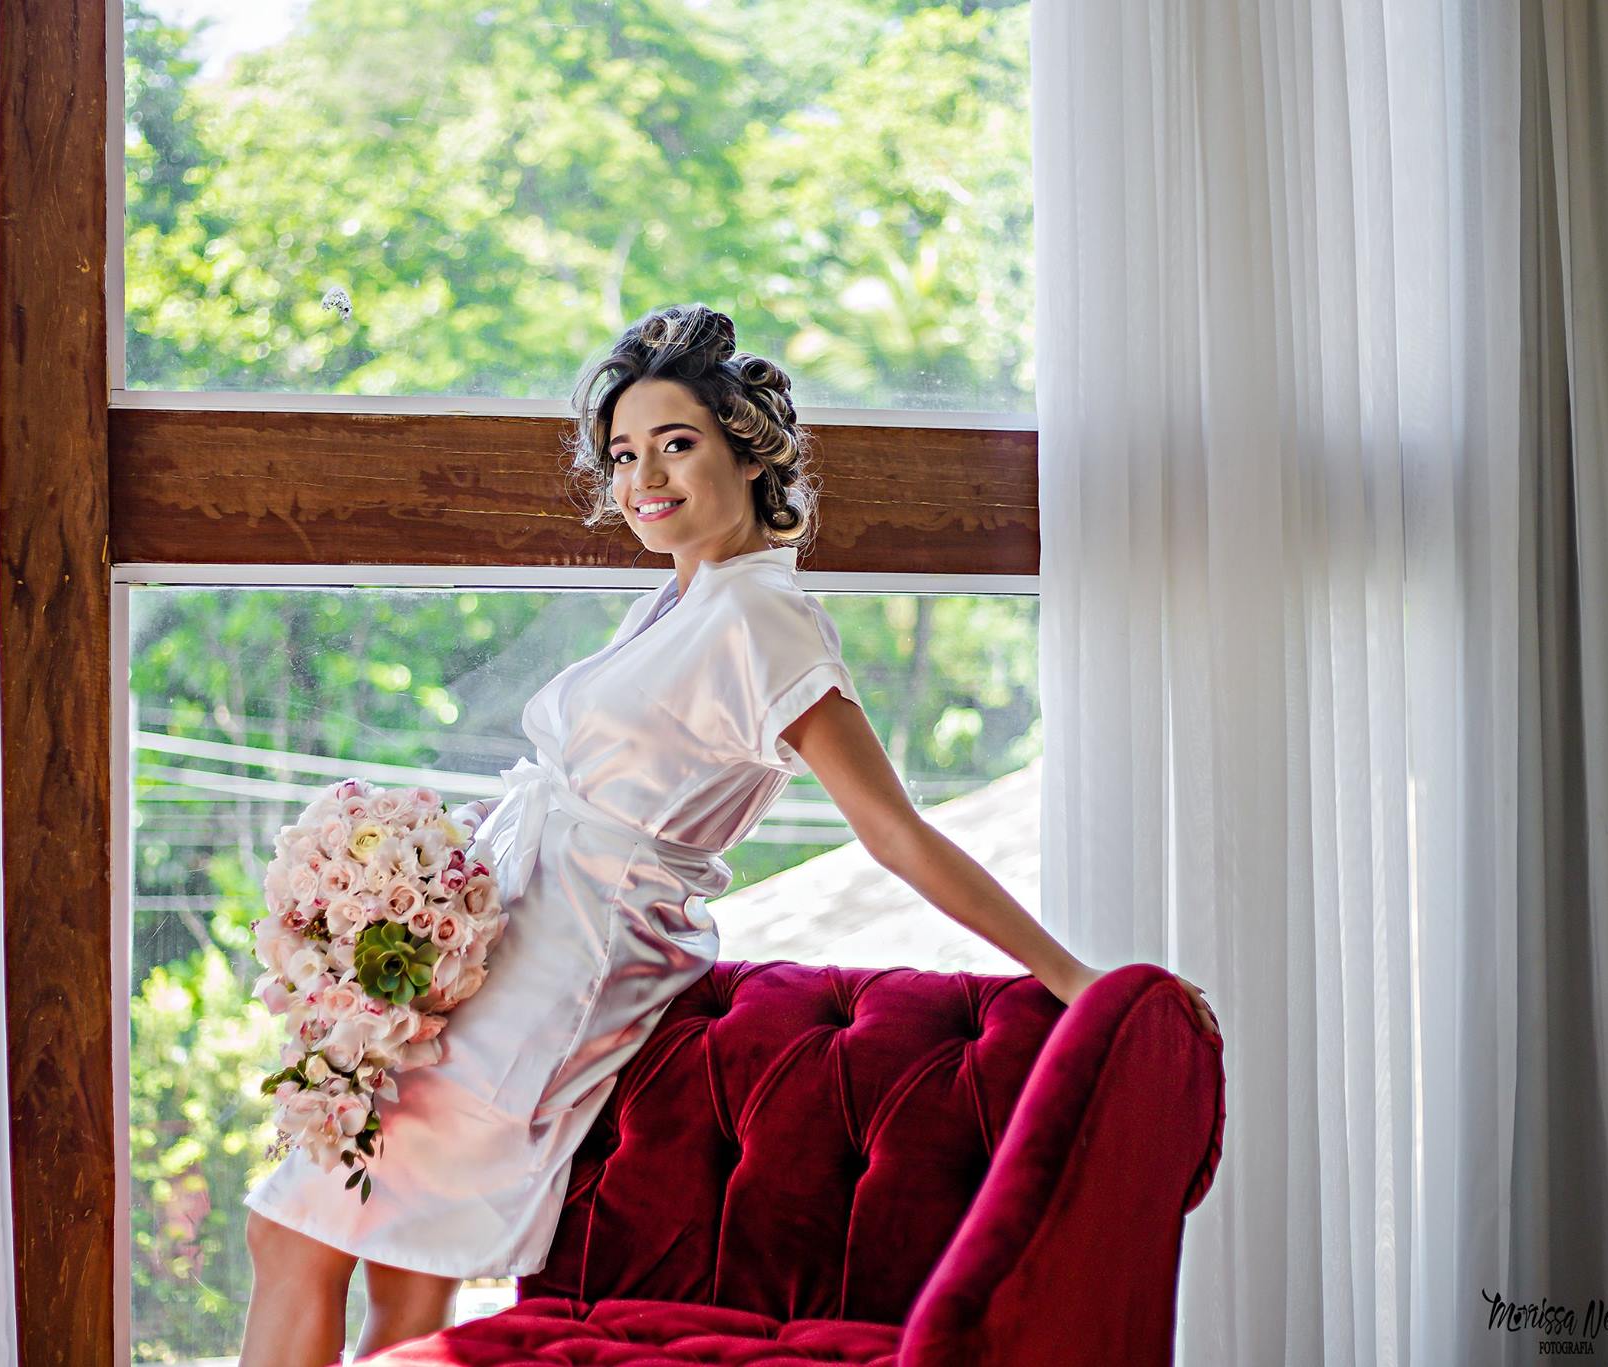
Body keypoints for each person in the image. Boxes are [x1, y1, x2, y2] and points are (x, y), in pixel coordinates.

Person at [235, 303, 1220, 1367]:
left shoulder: (764, 621)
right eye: (623, 454)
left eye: (676, 443)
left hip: (564, 969)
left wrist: (1069, 971)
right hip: (509, 948)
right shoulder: (673, 605)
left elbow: (893, 832)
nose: (642, 477)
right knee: (402, 1279)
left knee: (295, 1234)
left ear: (749, 453)